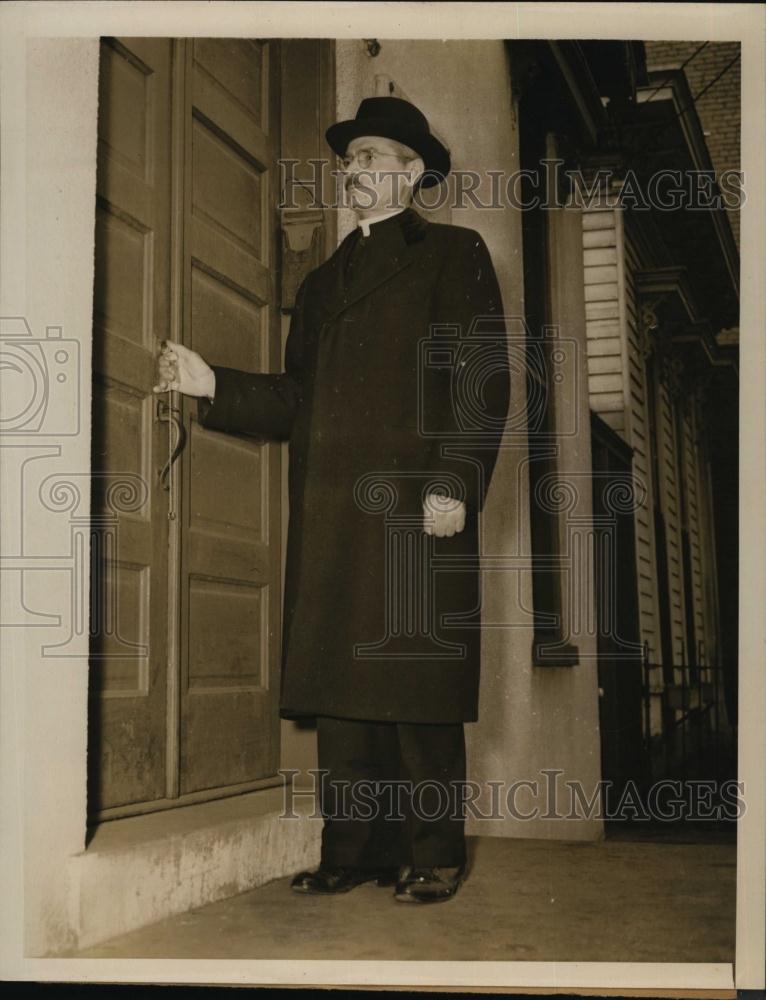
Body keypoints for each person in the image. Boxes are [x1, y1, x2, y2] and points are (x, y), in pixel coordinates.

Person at [154, 96, 510, 904]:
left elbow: (480, 381)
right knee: (344, 687)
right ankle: (352, 848)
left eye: (377, 157)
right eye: (352, 159)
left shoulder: (456, 254)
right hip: (335, 512)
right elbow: (294, 396)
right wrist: (214, 383)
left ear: (415, 175)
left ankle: (433, 852)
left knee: (414, 686)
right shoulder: (318, 285)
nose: (358, 171)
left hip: (418, 502)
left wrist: (456, 483)